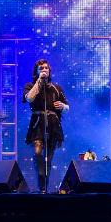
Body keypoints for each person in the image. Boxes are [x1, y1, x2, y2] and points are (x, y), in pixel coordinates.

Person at [23, 59, 69, 192]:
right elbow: (29, 98)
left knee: (48, 159)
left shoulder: (57, 88)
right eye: (41, 69)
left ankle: (45, 189)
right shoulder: (30, 85)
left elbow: (67, 107)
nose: (44, 70)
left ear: (50, 71)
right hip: (37, 125)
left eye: (46, 68)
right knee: (38, 154)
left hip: (53, 126)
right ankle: (41, 187)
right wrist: (39, 81)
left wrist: (63, 106)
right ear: (36, 72)